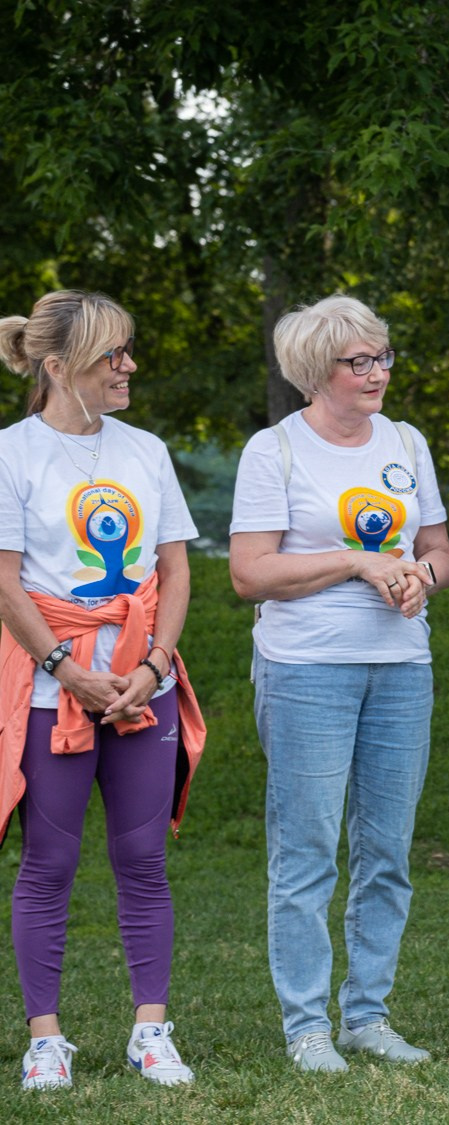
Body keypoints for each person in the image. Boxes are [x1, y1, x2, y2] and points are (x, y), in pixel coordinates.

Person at [229, 296, 449, 1071]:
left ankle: (367, 1015)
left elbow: (441, 551)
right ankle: (307, 1026)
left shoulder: (405, 441)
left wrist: (419, 577)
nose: (378, 372)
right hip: (304, 671)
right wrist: (358, 561)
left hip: (401, 668)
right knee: (306, 854)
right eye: (358, 362)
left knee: (387, 852)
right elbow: (249, 571)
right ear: (312, 373)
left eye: (383, 356)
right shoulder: (275, 451)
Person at [0, 290, 206, 1089]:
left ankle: (150, 1031)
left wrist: (153, 667)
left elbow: (175, 569)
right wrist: (69, 670)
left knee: (143, 860)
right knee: (47, 862)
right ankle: (44, 1037)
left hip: (139, 688)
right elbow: (9, 586)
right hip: (57, 690)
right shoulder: (13, 453)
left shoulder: (144, 451)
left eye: (128, 348)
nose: (129, 366)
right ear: (57, 367)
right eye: (111, 354)